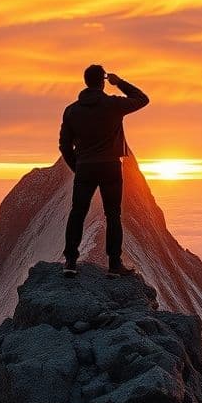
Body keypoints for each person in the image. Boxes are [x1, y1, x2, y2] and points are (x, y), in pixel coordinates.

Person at [58, 64, 149, 278]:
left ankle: (70, 261)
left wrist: (77, 166)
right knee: (113, 215)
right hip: (110, 166)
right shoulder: (113, 105)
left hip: (85, 167)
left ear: (86, 82)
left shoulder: (71, 111)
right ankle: (114, 265)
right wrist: (120, 83)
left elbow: (64, 145)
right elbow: (142, 99)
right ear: (103, 81)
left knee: (77, 212)